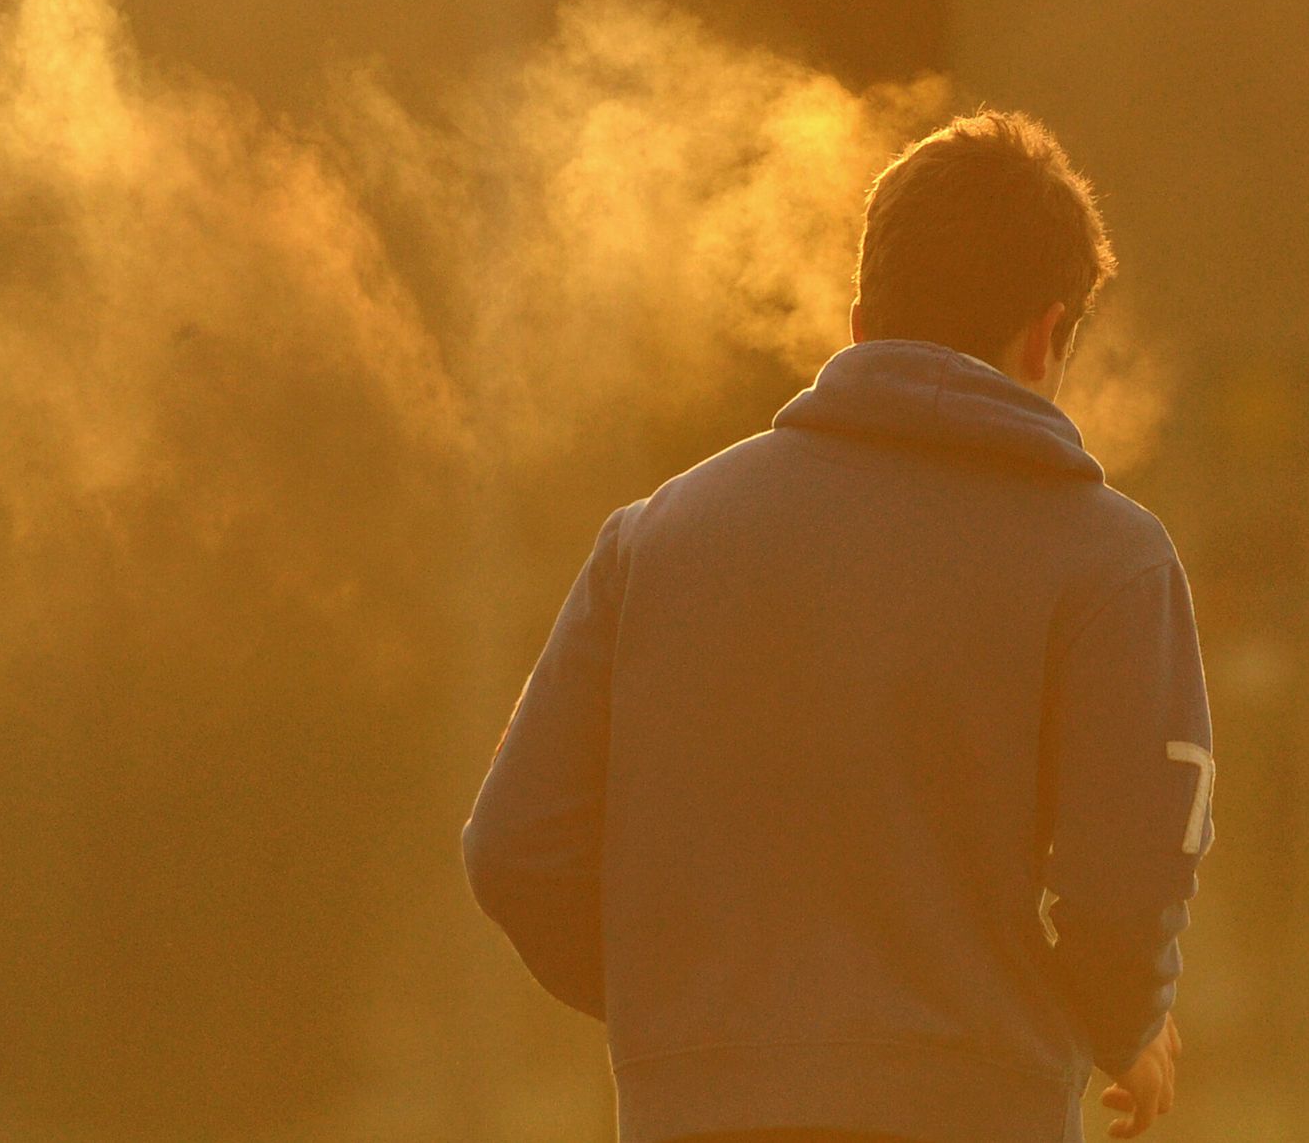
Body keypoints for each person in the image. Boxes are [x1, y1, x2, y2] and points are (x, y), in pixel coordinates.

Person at [462, 111, 1214, 1143]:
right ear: (1047, 335)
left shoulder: (653, 539)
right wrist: (1123, 1022)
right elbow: (1123, 888)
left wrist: (703, 1025)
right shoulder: (1111, 563)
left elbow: (514, 848)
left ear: (859, 325)